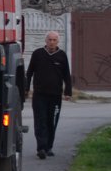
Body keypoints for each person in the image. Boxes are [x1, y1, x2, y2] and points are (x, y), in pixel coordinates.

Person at [22, 29, 73, 160]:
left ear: (57, 41)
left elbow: (67, 75)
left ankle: (49, 146)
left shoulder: (61, 55)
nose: (51, 42)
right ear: (45, 41)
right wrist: (26, 89)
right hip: (39, 95)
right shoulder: (38, 54)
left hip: (55, 95)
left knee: (52, 121)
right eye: (49, 40)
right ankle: (41, 148)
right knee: (40, 121)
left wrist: (68, 91)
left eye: (54, 40)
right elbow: (29, 72)